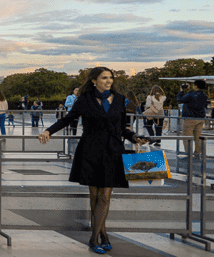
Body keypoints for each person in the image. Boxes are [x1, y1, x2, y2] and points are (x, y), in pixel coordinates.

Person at [38, 67, 147, 254]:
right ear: (94, 81)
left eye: (110, 78)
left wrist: (135, 137)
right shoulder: (84, 100)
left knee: (105, 196)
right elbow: (67, 119)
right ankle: (103, 235)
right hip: (90, 150)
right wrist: (48, 131)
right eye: (104, 78)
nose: (109, 81)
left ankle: (93, 238)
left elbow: (122, 127)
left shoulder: (120, 100)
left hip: (113, 151)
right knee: (95, 196)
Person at [177, 79, 209, 155]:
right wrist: (189, 91)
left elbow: (179, 100)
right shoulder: (205, 96)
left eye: (193, 85)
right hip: (200, 118)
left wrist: (181, 91)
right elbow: (192, 99)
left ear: (196, 86)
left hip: (189, 118)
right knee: (197, 138)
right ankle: (198, 153)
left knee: (186, 137)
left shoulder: (191, 95)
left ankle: (188, 154)